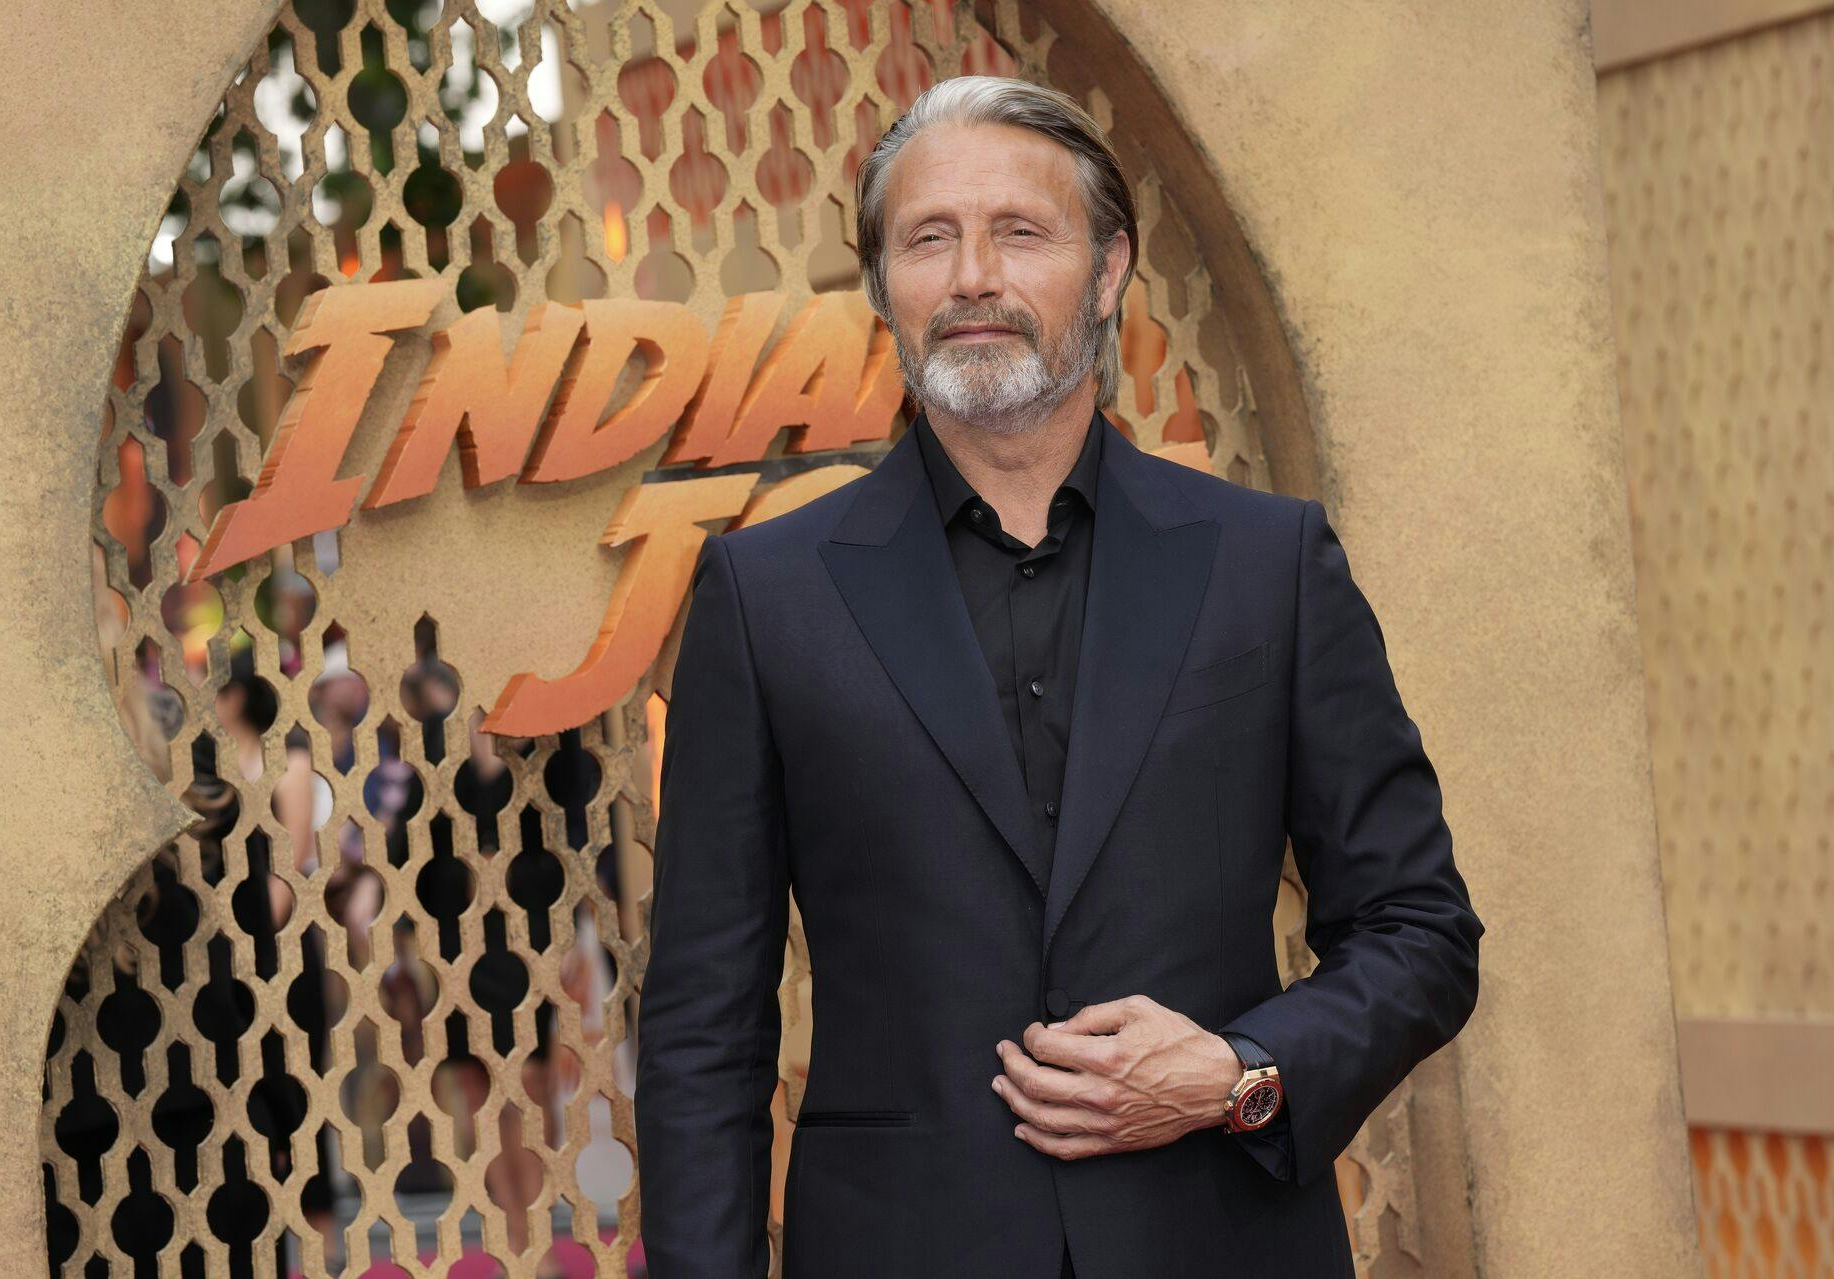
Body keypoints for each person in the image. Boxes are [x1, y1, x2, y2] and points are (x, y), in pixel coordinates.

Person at [634, 74, 1485, 1279]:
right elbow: (703, 1034)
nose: (973, 275)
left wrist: (1237, 1074)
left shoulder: (1269, 567)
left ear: (1107, 270)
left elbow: (1420, 931)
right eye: (929, 239)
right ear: (884, 288)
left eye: (1020, 232)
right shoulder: (767, 598)